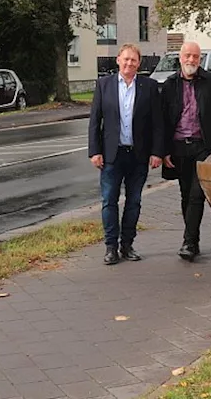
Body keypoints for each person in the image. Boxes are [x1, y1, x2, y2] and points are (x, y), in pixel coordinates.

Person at [88, 44, 163, 265]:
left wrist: (157, 151)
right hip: (112, 154)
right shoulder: (104, 85)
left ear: (139, 63)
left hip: (138, 155)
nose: (129, 63)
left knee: (134, 202)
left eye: (134, 60)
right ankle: (110, 247)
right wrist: (95, 151)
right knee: (109, 201)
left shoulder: (149, 86)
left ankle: (127, 244)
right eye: (126, 59)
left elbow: (157, 123)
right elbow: (95, 121)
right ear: (118, 60)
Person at [161, 41, 211, 261]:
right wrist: (163, 151)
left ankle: (189, 242)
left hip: (203, 146)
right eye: (187, 56)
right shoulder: (169, 85)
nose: (191, 60)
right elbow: (163, 121)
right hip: (179, 148)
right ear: (180, 58)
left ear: (200, 59)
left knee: (196, 194)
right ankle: (192, 239)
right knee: (185, 195)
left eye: (195, 56)